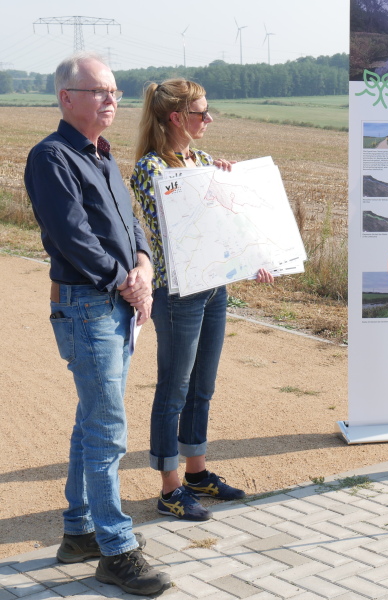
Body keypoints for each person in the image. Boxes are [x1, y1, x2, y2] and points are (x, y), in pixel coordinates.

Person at [23, 52, 171, 596]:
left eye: (114, 91)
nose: (113, 100)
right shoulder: (51, 157)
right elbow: (71, 236)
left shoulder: (104, 157)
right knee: (108, 427)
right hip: (88, 306)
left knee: (93, 420)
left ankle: (79, 531)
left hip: (114, 303)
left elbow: (131, 224)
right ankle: (115, 549)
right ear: (67, 98)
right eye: (100, 91)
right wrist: (125, 280)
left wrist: (145, 266)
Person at [131, 79, 274, 521]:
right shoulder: (151, 169)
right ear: (177, 117)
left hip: (214, 287)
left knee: (202, 387)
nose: (209, 119)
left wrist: (228, 186)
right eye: (202, 112)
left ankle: (196, 473)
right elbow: (182, 230)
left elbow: (226, 225)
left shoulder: (204, 160)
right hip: (178, 293)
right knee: (173, 389)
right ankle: (169, 488)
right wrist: (207, 188)